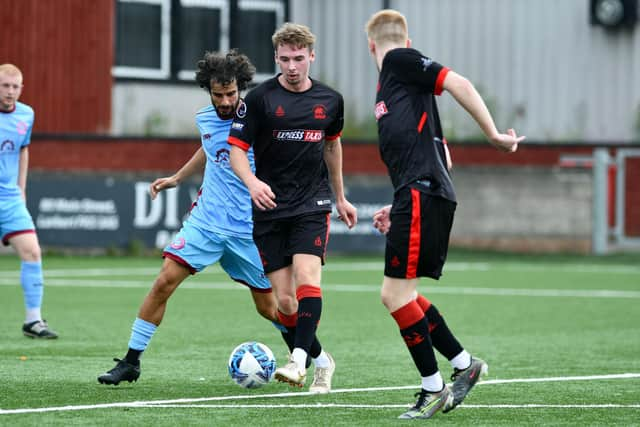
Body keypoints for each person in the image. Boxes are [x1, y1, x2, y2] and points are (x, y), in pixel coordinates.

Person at [365, 10, 525, 420]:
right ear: (405, 36)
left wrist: (494, 136)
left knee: (394, 294)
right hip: (419, 192)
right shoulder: (399, 87)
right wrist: (399, 201)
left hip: (422, 193)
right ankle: (462, 365)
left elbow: (459, 82)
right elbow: (442, 152)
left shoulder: (399, 62)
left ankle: (433, 387)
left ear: (372, 46)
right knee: (405, 295)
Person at [98, 50, 286, 385]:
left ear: (240, 88)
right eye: (218, 95)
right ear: (208, 91)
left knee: (270, 308)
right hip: (207, 223)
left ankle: (304, 356)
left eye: (231, 94)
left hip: (248, 230)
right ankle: (130, 362)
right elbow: (208, 147)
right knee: (163, 282)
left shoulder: (259, 120)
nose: (226, 101)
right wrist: (177, 178)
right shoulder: (205, 119)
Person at [228, 22, 358, 393]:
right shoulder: (259, 100)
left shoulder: (330, 100)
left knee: (307, 281)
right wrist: (252, 183)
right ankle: (321, 359)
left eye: (299, 58)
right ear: (276, 58)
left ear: (311, 56)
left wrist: (340, 196)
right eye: (285, 59)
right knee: (283, 304)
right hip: (269, 208)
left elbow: (332, 147)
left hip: (311, 203)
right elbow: (237, 149)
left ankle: (298, 361)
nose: (292, 66)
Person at [0, 64, 58, 339]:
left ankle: (33, 321)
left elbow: (23, 151)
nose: (10, 91)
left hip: (10, 199)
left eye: (15, 86)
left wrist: (21, 189)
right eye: (5, 85)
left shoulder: (26, 114)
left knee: (32, 252)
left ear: (21, 88)